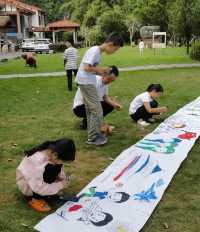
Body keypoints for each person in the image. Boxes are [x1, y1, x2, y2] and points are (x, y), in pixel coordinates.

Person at [76, 33, 124, 146]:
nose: (114, 52)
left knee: (91, 110)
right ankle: (93, 137)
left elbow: (91, 69)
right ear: (111, 44)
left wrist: (101, 71)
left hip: (87, 81)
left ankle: (92, 134)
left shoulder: (98, 53)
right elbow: (86, 68)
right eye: (115, 49)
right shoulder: (95, 51)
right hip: (85, 82)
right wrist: (101, 70)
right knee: (97, 110)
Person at [16, 138, 76, 212]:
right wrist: (60, 185)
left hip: (35, 181)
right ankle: (35, 199)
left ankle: (48, 191)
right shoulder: (38, 162)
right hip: (28, 186)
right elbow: (38, 187)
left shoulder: (50, 152)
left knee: (55, 165)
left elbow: (58, 169)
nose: (62, 163)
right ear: (55, 155)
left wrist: (62, 178)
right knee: (51, 167)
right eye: (63, 161)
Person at [73, 65, 122, 131]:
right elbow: (86, 99)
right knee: (99, 106)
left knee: (109, 105)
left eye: (111, 81)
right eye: (109, 79)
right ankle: (93, 124)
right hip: (79, 108)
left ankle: (88, 123)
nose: (109, 82)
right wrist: (102, 123)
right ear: (104, 74)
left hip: (90, 105)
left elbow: (105, 97)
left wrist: (115, 105)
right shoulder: (93, 81)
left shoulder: (105, 84)